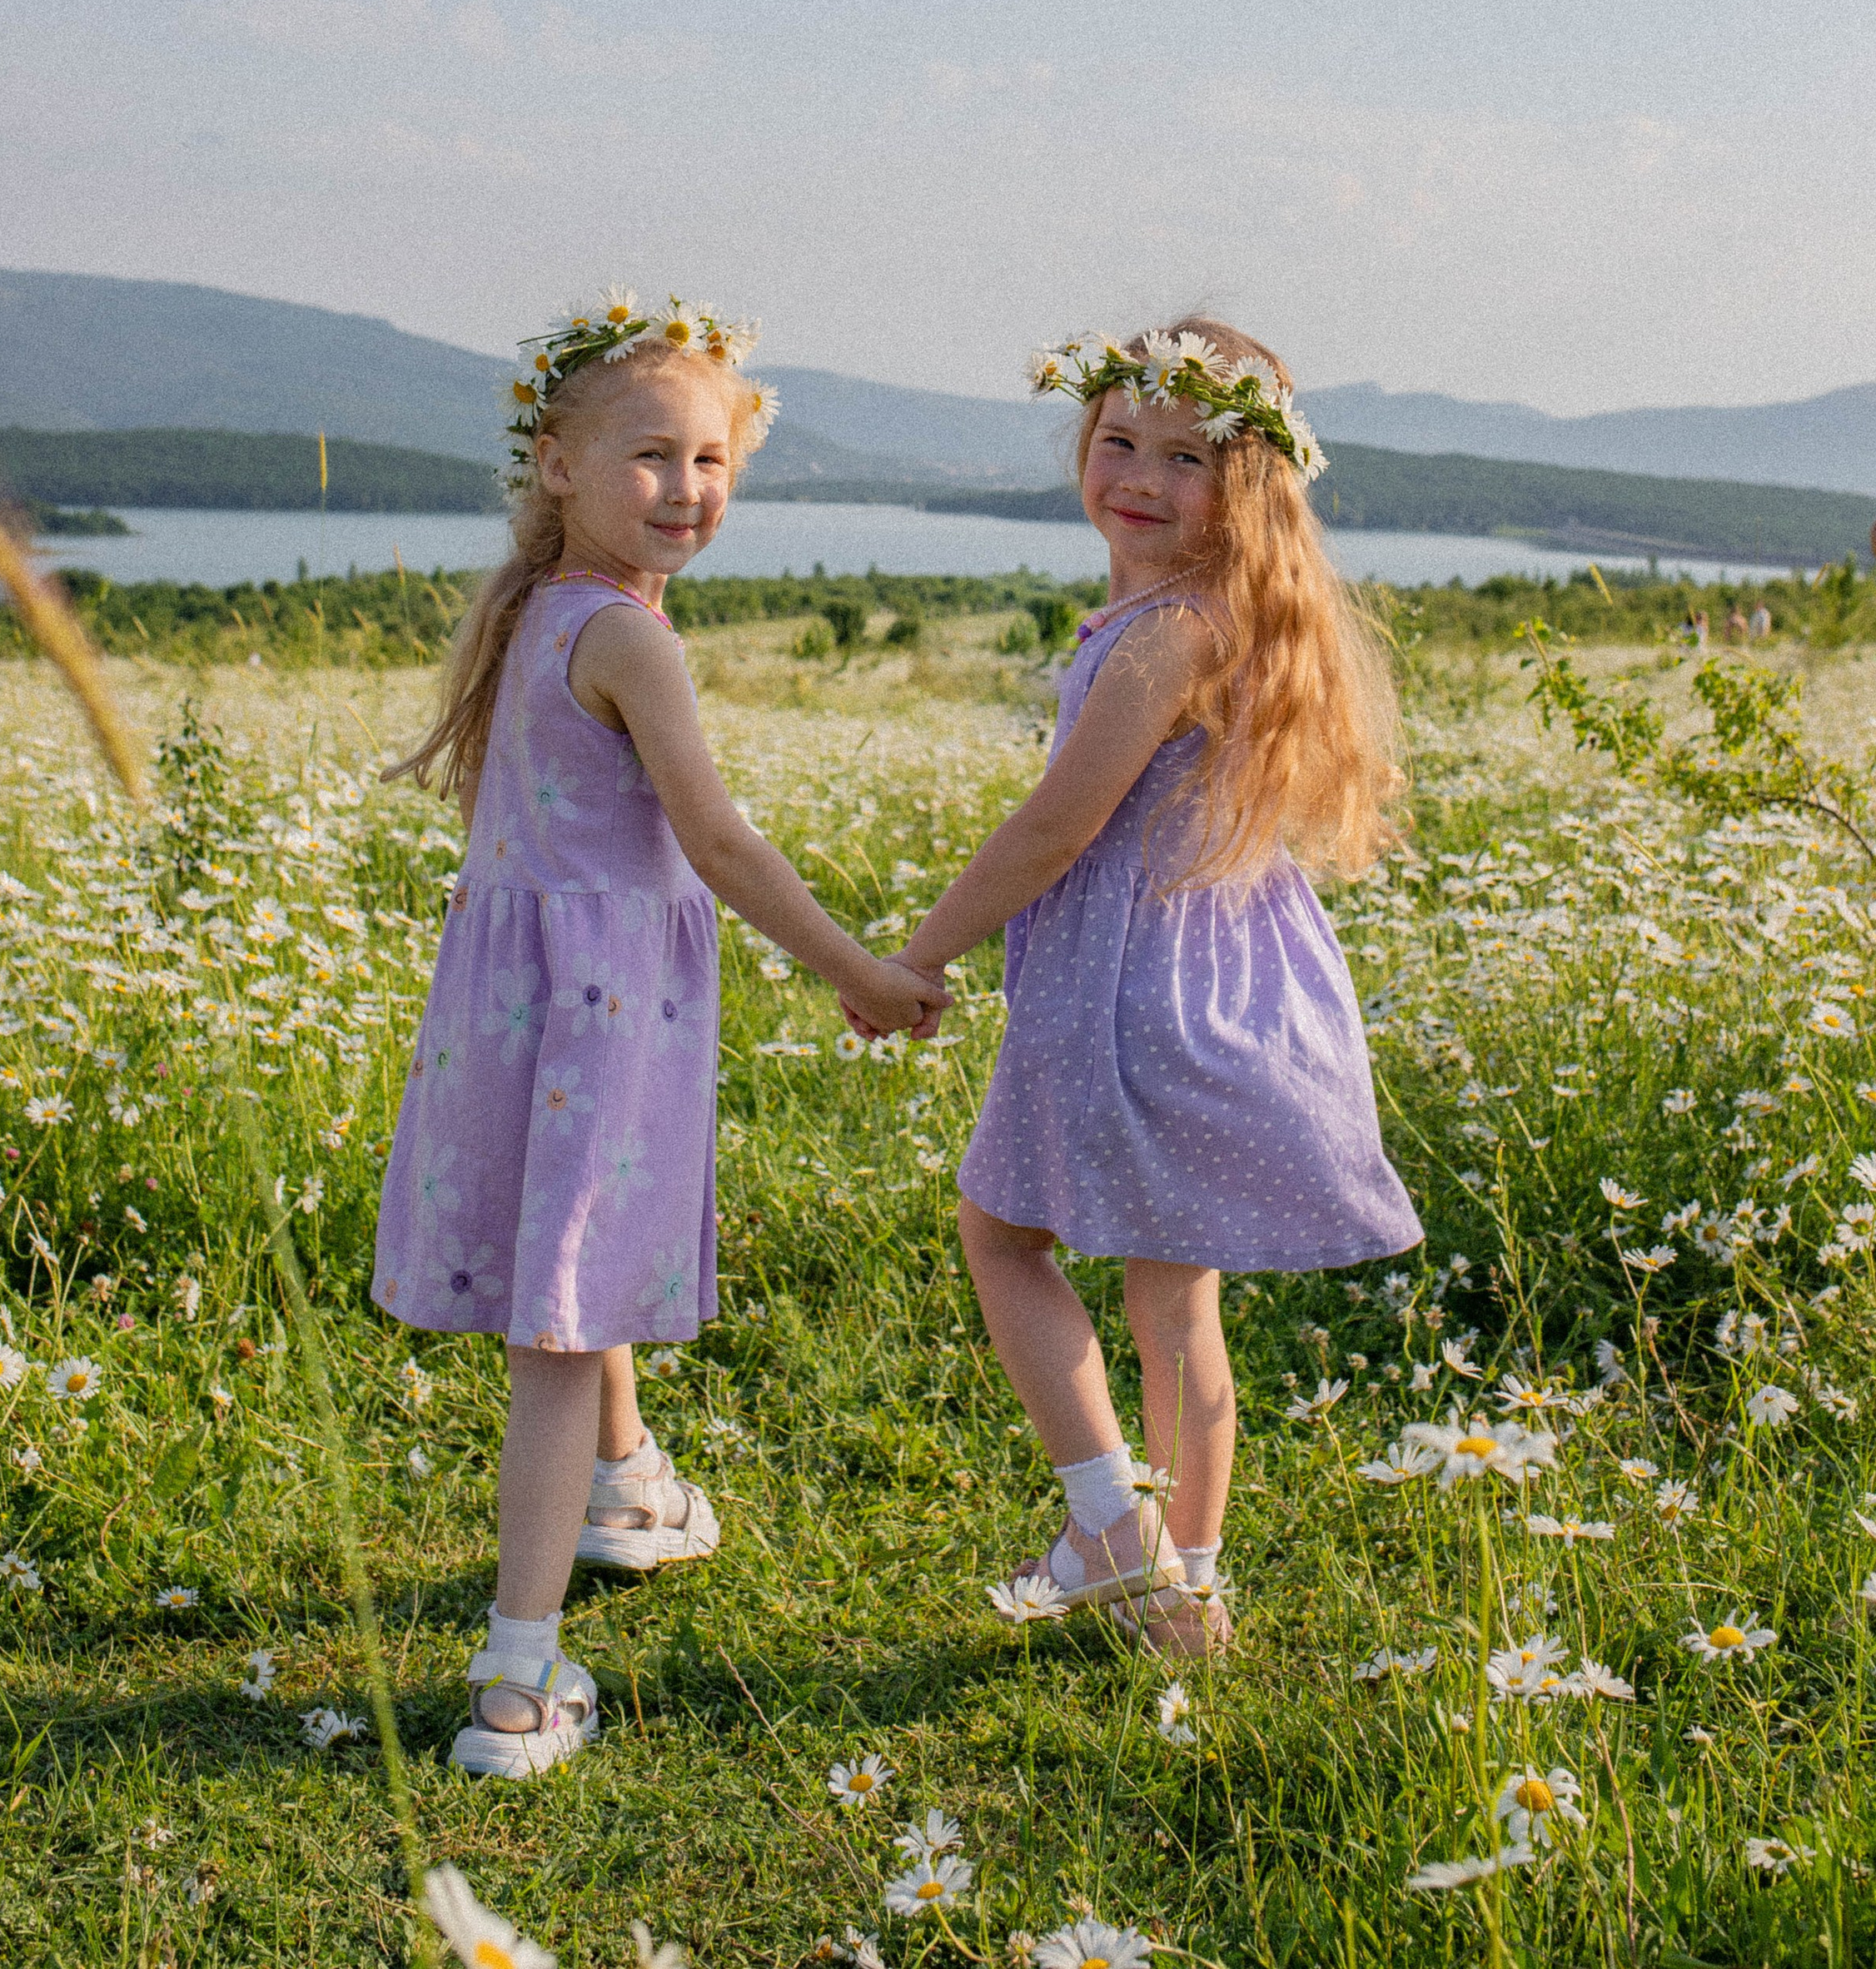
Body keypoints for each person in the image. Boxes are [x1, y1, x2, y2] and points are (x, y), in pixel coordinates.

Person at [374, 293, 936, 1778]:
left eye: (712, 459)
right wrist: (859, 969)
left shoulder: (536, 606)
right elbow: (723, 842)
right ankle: (516, 1677)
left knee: (578, 1254)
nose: (688, 489)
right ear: (556, 461)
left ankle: (626, 1485)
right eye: (651, 456)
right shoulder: (630, 640)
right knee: (563, 1317)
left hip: (527, 1005)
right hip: (603, 1017)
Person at [891, 318, 1418, 1661]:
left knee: (1002, 1235)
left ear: (1244, 485)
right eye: (1117, 439)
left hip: (1127, 989)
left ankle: (1107, 1530)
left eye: (1184, 454)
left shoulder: (1168, 633)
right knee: (1173, 1303)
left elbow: (1055, 826)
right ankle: (1189, 1588)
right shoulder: (1206, 619)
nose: (1138, 472)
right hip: (1210, 981)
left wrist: (925, 946)